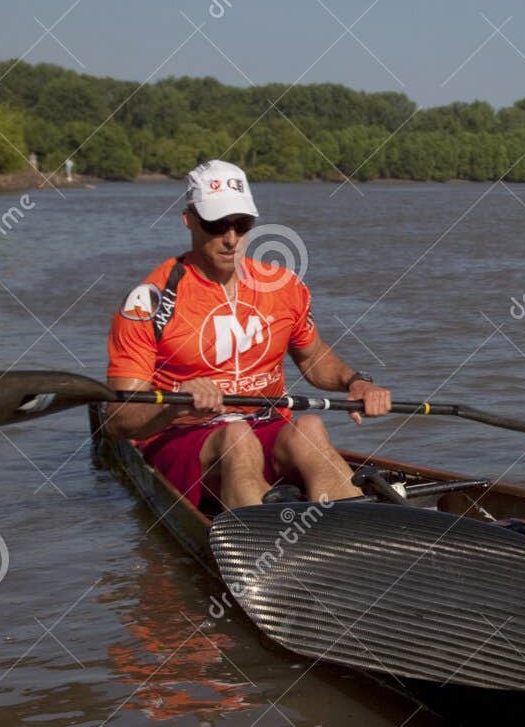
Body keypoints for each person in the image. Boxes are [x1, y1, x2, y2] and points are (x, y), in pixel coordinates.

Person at [104, 160, 390, 509]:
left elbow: (312, 357)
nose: (230, 239)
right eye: (216, 224)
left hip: (264, 423)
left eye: (241, 225)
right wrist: (176, 401)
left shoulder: (283, 285)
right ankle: (262, 551)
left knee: (311, 428)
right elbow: (119, 418)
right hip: (183, 438)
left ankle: (354, 534)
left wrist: (356, 382)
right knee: (237, 438)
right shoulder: (150, 301)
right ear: (189, 220)